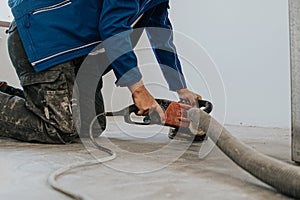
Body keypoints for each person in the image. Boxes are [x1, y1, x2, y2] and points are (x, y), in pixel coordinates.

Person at [0, 0, 202, 144]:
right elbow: (113, 28)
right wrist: (139, 90)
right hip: (44, 37)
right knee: (61, 127)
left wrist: (181, 88)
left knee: (92, 126)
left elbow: (161, 36)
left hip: (76, 49)